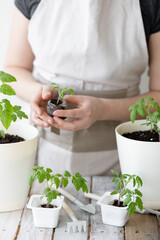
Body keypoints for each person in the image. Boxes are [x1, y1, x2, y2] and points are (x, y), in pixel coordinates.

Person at [4, 0, 160, 175]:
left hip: (121, 156)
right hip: (47, 150)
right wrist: (38, 93)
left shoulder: (151, 4)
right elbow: (14, 69)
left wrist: (104, 110)